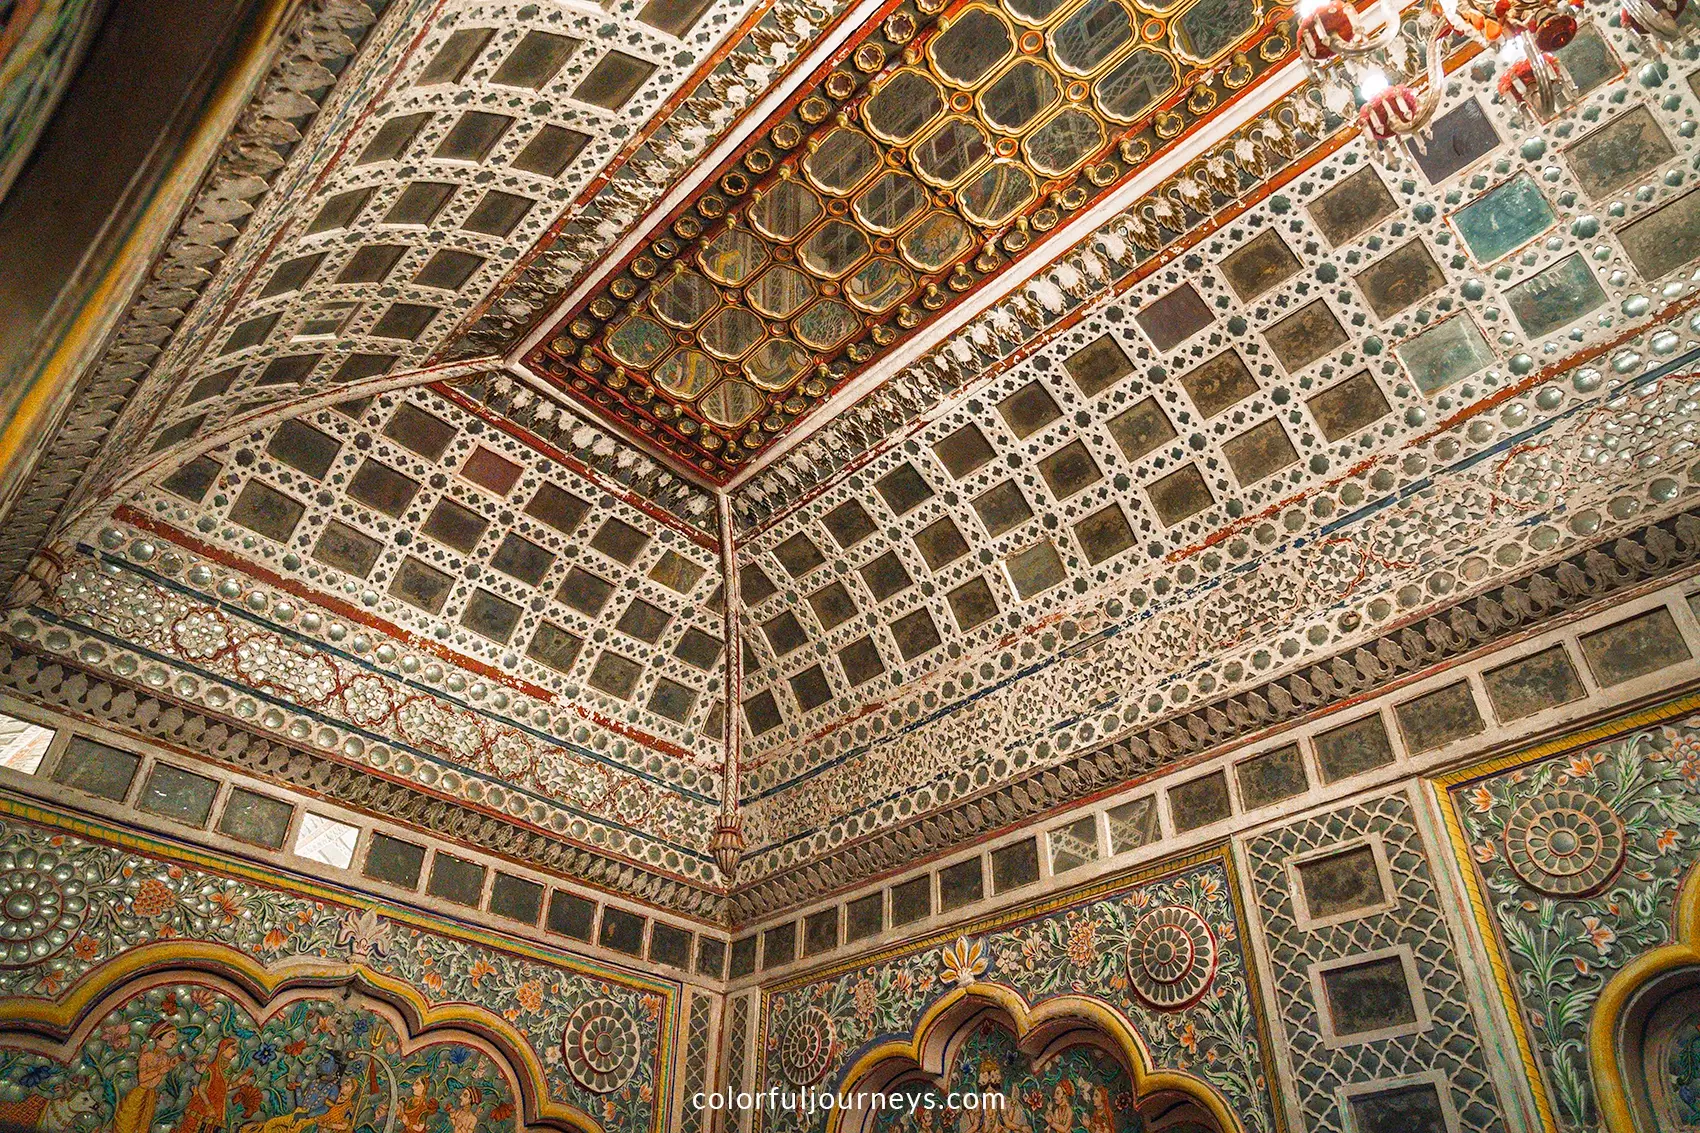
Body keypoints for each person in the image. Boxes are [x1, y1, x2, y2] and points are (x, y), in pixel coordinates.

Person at [112, 1023, 180, 1133]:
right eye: (171, 1036)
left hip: (150, 1096)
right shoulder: (147, 1056)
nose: (175, 1040)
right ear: (159, 1037)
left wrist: (169, 1067)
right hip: (138, 1095)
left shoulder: (166, 1058)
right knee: (127, 1125)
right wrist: (160, 1070)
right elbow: (142, 1079)